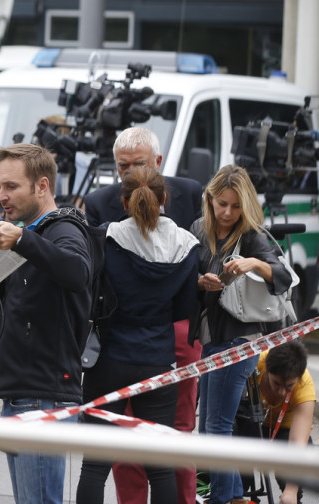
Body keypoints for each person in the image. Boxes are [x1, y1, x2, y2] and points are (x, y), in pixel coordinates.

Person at [82, 126, 204, 504]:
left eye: (137, 164)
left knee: (95, 465)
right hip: (159, 354)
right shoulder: (187, 245)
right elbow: (186, 305)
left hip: (111, 355)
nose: (130, 170)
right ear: (163, 198)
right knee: (161, 465)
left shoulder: (105, 237)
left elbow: (91, 287)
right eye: (124, 165)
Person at [0, 143, 92, 504]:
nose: (1, 196)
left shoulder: (63, 229)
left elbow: (77, 272)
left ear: (42, 186)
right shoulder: (24, 235)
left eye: (11, 186)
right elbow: (13, 314)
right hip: (21, 392)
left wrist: (23, 239)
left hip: (43, 395)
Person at [190, 164, 294, 504]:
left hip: (241, 340)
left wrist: (253, 264)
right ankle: (234, 496)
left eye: (236, 206)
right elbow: (184, 276)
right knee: (209, 429)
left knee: (217, 428)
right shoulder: (198, 229)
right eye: (222, 204)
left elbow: (283, 275)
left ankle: (224, 498)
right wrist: (200, 282)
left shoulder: (251, 235)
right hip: (211, 339)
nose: (228, 212)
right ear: (210, 199)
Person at [247, 340, 314, 504]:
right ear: (266, 369)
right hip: (250, 425)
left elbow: (298, 442)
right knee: (237, 476)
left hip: (284, 431)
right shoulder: (255, 364)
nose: (282, 391)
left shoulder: (304, 386)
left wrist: (290, 491)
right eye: (276, 383)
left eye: (289, 386)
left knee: (293, 482)